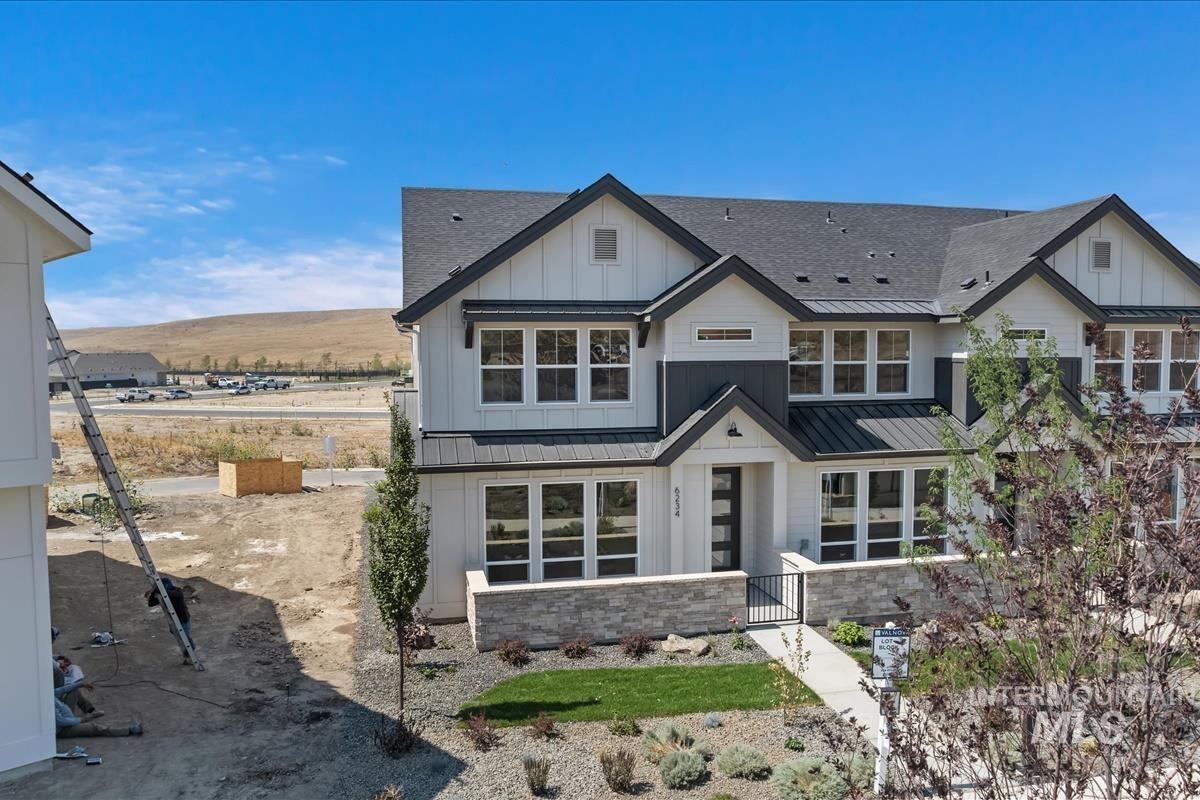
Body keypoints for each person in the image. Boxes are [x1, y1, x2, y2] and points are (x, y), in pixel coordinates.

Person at [145, 577, 194, 663]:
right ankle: (187, 657)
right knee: (180, 639)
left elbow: (171, 595)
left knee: (187, 639)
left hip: (183, 620)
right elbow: (151, 603)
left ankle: (191, 656)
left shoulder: (177, 591)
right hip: (173, 621)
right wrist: (154, 592)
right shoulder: (162, 595)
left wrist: (158, 590)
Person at [55, 697, 141, 739]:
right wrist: (80, 720)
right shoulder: (44, 702)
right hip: (62, 729)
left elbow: (60, 690)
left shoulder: (48, 691)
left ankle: (91, 711)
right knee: (95, 728)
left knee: (75, 692)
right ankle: (129, 730)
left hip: (68, 718)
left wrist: (79, 684)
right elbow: (61, 721)